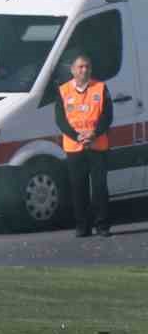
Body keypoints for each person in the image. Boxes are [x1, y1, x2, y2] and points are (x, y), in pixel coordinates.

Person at [55, 52, 112, 238]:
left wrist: (94, 133)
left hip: (98, 146)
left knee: (100, 188)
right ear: (72, 70)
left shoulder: (101, 88)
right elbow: (60, 120)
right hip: (74, 147)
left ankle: (102, 226)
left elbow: (107, 116)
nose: (84, 69)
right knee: (78, 189)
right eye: (80, 66)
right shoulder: (63, 90)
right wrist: (77, 136)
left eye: (87, 66)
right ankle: (82, 227)